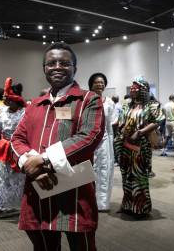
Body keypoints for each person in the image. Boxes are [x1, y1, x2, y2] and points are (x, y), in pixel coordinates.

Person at [11, 42, 104, 251]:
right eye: (51, 63)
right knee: (43, 246)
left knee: (83, 246)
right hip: (39, 187)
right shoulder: (35, 104)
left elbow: (89, 136)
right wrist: (29, 165)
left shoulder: (88, 99)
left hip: (76, 190)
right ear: (44, 68)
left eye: (64, 63)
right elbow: (17, 139)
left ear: (75, 68)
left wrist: (43, 160)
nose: (57, 67)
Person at [114, 77, 164, 217]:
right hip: (125, 145)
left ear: (143, 90)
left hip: (140, 146)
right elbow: (120, 121)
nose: (132, 89)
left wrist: (140, 132)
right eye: (131, 87)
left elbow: (157, 121)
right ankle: (127, 205)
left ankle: (140, 208)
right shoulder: (127, 104)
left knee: (139, 176)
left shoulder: (152, 105)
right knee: (126, 176)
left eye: (135, 87)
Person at [0, 77, 26, 221]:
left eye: (8, 99)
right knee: (2, 180)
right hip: (5, 148)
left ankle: (23, 209)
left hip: (20, 149)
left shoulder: (25, 113)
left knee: (20, 179)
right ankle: (1, 209)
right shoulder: (3, 112)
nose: (6, 102)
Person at [88, 72, 117, 212]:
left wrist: (111, 143)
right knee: (90, 169)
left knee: (104, 170)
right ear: (91, 85)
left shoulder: (109, 102)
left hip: (105, 140)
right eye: (96, 82)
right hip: (89, 140)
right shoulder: (86, 100)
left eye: (102, 82)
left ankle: (102, 203)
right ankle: (89, 201)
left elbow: (111, 125)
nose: (100, 85)